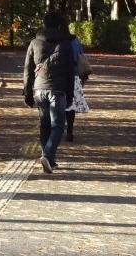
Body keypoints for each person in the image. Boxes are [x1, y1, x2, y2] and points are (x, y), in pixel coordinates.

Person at [23, 10, 76, 174]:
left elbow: (27, 70)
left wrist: (27, 93)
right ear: (59, 24)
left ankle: (49, 159)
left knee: (44, 124)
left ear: (43, 24)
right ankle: (47, 154)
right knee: (58, 125)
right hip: (58, 89)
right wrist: (70, 94)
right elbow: (70, 72)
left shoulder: (34, 42)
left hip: (39, 88)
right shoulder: (66, 44)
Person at [64, 25, 91, 142]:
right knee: (71, 105)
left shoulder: (56, 41)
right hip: (74, 75)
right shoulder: (75, 40)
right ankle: (69, 131)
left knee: (56, 104)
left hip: (58, 76)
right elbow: (80, 54)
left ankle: (55, 130)